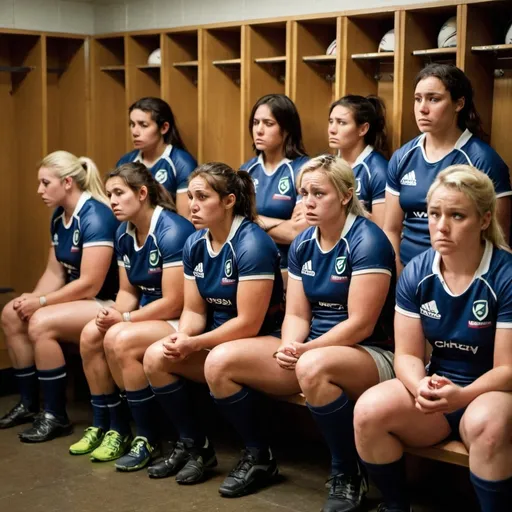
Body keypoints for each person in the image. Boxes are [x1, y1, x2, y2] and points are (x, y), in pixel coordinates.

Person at [204, 155, 396, 505]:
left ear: (345, 195)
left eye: (318, 193)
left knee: (313, 366)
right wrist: (292, 344)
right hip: (311, 352)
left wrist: (307, 351)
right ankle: (259, 457)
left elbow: (361, 323)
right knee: (219, 362)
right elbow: (295, 312)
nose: (307, 201)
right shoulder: (304, 242)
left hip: (371, 355)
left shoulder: (368, 240)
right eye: (303, 192)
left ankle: (347, 471)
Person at [354, 165, 512, 512]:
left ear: (485, 220)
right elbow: (407, 356)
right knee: (368, 411)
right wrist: (421, 385)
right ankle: (395, 506)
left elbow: (507, 369)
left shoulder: (505, 275)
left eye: (457, 215)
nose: (441, 226)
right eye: (434, 213)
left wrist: (463, 396)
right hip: (439, 388)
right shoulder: (417, 270)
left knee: (490, 425)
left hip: (490, 392)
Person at [141, 162, 284, 485]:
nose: (192, 204)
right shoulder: (195, 243)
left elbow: (248, 323)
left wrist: (197, 342)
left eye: (202, 197)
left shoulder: (253, 244)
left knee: (218, 363)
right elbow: (193, 311)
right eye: (190, 196)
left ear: (229, 201)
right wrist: (185, 336)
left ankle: (260, 457)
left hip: (266, 341)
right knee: (156, 356)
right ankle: (195, 448)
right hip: (218, 339)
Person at [69, 162, 194, 470]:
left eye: (118, 193)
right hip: (146, 314)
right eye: (109, 193)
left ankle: (147, 437)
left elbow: (174, 302)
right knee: (90, 333)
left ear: (141, 194)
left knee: (119, 339)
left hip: (180, 318)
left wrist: (124, 320)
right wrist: (112, 313)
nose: (111, 200)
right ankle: (110, 426)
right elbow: (128, 294)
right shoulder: (123, 232)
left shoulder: (172, 230)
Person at [0, 151, 118, 443]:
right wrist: (32, 298)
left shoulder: (96, 216)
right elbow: (55, 273)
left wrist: (40, 303)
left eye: (45, 183)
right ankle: (30, 405)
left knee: (41, 322)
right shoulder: (59, 215)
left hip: (107, 303)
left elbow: (90, 284)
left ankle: (55, 415)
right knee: (10, 313)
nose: (39, 190)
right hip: (78, 301)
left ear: (67, 182)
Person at [384, 63, 511, 273]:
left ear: (458, 103)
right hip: (407, 271)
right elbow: (391, 229)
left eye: (434, 99)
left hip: (462, 274)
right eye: (418, 99)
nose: (422, 108)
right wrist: (399, 276)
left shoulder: (482, 160)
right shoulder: (402, 157)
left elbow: (499, 238)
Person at [241, 94, 309, 283]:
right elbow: (233, 225)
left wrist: (251, 220)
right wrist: (279, 224)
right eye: (255, 123)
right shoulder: (246, 170)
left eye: (268, 124)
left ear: (286, 129)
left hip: (291, 272)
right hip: (249, 268)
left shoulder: (304, 169)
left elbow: (297, 232)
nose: (259, 130)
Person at [117, 97, 197, 218]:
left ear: (164, 127)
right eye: (132, 124)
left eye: (143, 125)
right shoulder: (126, 162)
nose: (135, 132)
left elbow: (186, 219)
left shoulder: (182, 163)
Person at [328, 94, 388, 227]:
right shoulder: (326, 165)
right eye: (331, 121)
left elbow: (382, 228)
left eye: (341, 123)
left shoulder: (378, 170)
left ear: (363, 129)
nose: (332, 130)